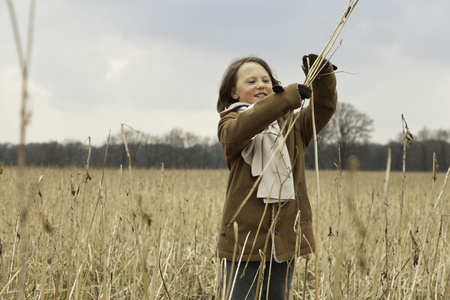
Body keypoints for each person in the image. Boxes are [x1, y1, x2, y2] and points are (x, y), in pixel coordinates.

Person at [216, 54, 338, 299]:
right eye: (251, 81)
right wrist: (286, 98)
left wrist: (322, 76)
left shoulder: (294, 127)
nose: (260, 84)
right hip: (244, 240)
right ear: (234, 93)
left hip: (285, 237)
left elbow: (323, 107)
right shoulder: (229, 123)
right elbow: (245, 126)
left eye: (266, 80)